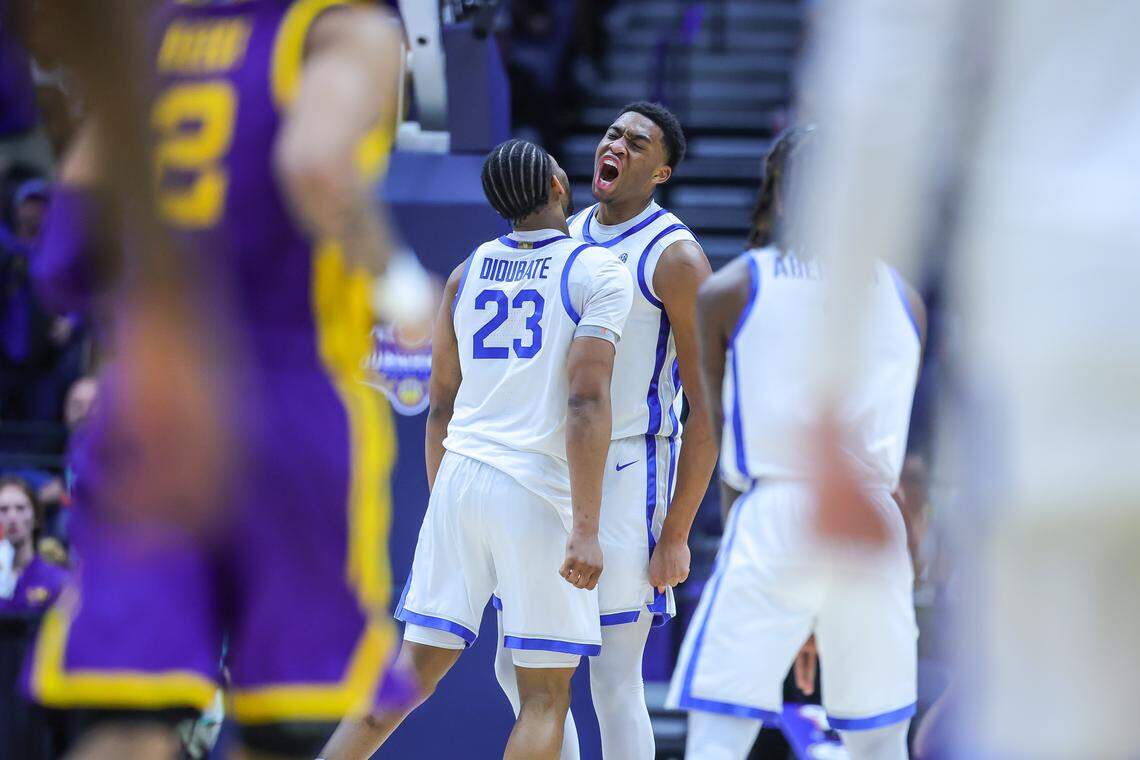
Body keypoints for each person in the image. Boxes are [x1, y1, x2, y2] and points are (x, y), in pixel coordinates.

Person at [24, 2, 408, 758]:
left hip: (148, 406)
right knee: (283, 730)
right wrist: (401, 286)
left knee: (128, 722)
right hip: (285, 399)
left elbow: (67, 253)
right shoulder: (343, 27)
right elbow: (315, 164)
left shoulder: (154, 37)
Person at [320, 139, 634, 760]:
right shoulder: (598, 271)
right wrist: (588, 529)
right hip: (538, 492)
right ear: (557, 188)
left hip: (461, 477)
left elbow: (441, 404)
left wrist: (447, 509)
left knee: (407, 676)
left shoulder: (467, 272)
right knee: (545, 696)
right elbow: (586, 402)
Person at [666, 127, 926, 760]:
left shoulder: (734, 288)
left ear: (782, 195)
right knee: (881, 742)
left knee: (719, 738)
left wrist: (774, 568)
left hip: (775, 515)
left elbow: (724, 439)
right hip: (874, 527)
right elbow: (909, 461)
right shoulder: (907, 299)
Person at [491, 100, 716, 760]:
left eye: (637, 142)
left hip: (628, 471)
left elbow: (708, 410)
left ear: (662, 171)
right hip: (548, 467)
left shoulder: (675, 257)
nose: (616, 143)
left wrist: (676, 534)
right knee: (517, 667)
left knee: (613, 679)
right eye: (613, 133)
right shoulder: (565, 232)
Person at [0, 477, 68, 614]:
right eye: (3, 509)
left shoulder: (58, 580)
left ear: (36, 517)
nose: (12, 517)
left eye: (20, 508)